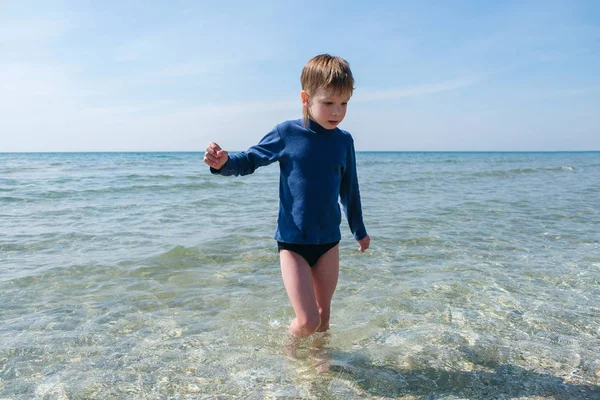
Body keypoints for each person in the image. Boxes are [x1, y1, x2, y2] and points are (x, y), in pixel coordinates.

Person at [204, 54, 370, 338]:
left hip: (329, 241)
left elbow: (349, 189)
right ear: (306, 99)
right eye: (328, 103)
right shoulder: (287, 133)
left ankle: (319, 364)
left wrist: (359, 230)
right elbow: (250, 159)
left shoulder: (344, 141)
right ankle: (288, 353)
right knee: (307, 321)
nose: (337, 112)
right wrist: (224, 163)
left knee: (324, 317)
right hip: (293, 242)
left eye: (344, 104)